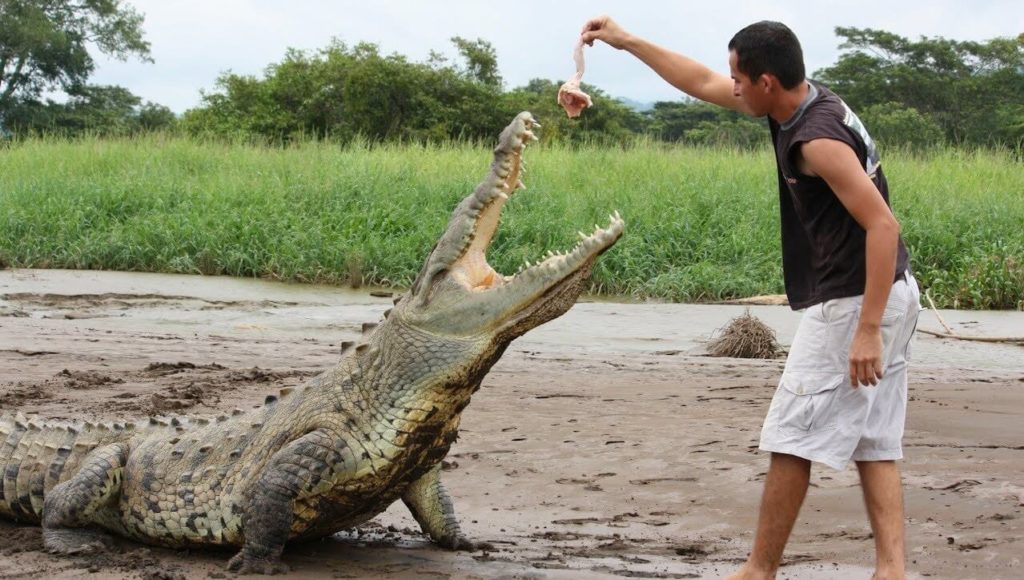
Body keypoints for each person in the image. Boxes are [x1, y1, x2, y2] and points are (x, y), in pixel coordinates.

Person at [580, 16, 920, 580]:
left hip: (855, 299)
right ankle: (892, 571)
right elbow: (701, 82)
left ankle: (757, 572)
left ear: (766, 81)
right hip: (890, 291)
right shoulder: (803, 101)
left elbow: (882, 226)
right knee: (875, 441)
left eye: (740, 77)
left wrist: (866, 327)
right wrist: (627, 40)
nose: (731, 85)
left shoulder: (816, 140)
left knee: (790, 438)